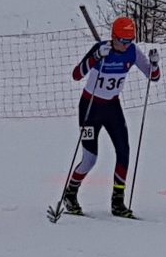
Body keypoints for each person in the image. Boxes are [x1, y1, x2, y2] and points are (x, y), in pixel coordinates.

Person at [60, 16, 160, 219]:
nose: (126, 45)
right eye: (122, 40)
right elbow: (76, 75)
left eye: (130, 40)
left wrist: (154, 64)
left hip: (112, 107)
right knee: (90, 159)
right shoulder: (101, 49)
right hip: (90, 107)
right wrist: (96, 57)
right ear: (114, 37)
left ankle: (118, 202)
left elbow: (153, 76)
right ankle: (70, 194)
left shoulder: (132, 51)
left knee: (124, 152)